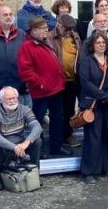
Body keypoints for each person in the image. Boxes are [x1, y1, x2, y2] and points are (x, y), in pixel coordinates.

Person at [17, 17, 70, 156]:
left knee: (57, 120)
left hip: (56, 89)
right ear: (33, 30)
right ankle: (38, 149)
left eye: (46, 28)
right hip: (41, 91)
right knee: (37, 122)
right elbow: (25, 72)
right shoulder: (27, 46)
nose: (46, 30)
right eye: (42, 28)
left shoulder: (45, 42)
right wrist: (41, 83)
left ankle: (56, 147)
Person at [78, 33, 108, 183]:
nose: (101, 45)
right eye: (98, 43)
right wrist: (104, 96)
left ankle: (106, 167)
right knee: (93, 138)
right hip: (94, 104)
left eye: (103, 42)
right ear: (92, 45)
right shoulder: (86, 61)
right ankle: (89, 172)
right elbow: (85, 82)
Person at [0, 87, 42, 191]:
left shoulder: (24, 109)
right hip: (4, 147)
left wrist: (26, 143)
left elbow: (37, 127)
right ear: (1, 100)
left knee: (38, 141)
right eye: (9, 99)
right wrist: (14, 147)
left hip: (21, 145)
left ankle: (35, 175)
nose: (12, 101)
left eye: (14, 98)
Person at [0, 5, 29, 113]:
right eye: (5, 15)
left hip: (18, 83)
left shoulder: (22, 35)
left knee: (18, 118)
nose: (9, 17)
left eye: (10, 14)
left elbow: (27, 58)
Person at [51, 14, 82, 148]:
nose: (69, 31)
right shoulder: (50, 37)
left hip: (72, 80)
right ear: (59, 24)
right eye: (67, 29)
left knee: (69, 111)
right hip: (56, 81)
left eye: (71, 29)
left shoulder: (74, 36)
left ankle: (68, 136)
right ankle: (56, 139)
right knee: (57, 112)